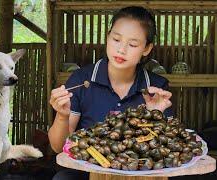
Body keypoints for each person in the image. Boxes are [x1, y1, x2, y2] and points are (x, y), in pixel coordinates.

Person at [48, 6, 173, 180]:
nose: (121, 49)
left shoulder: (156, 88)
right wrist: (62, 116)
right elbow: (58, 146)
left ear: (146, 48)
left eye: (132, 44)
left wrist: (155, 114)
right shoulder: (81, 80)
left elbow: (163, 153)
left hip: (138, 175)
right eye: (116, 39)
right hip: (87, 171)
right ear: (107, 38)